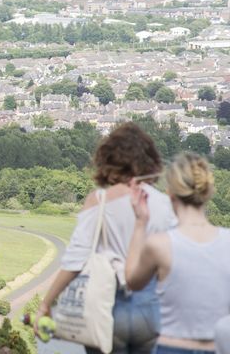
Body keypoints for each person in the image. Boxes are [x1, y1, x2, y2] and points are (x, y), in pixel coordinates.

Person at [37, 122, 175, 354]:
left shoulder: (99, 200)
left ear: (108, 160)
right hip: (151, 309)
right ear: (149, 160)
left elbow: (75, 261)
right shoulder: (164, 204)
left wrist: (46, 303)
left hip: (107, 305)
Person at [126, 152, 230, 354]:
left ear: (171, 194)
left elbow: (132, 281)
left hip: (171, 346)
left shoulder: (159, 244)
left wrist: (140, 223)